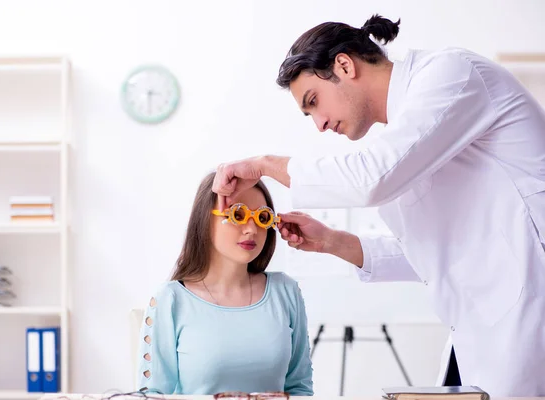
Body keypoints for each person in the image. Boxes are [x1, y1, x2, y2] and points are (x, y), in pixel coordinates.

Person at [211, 14, 545, 397]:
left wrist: (266, 165)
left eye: (314, 102)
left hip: (526, 316)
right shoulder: (410, 134)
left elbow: (373, 179)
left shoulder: (452, 74)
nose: (319, 124)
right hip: (480, 331)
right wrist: (332, 241)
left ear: (344, 65)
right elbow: (435, 252)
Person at [136, 172, 314, 396]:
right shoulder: (170, 299)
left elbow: (300, 388)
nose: (251, 229)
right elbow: (152, 395)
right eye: (238, 214)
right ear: (204, 219)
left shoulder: (286, 292)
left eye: (262, 218)